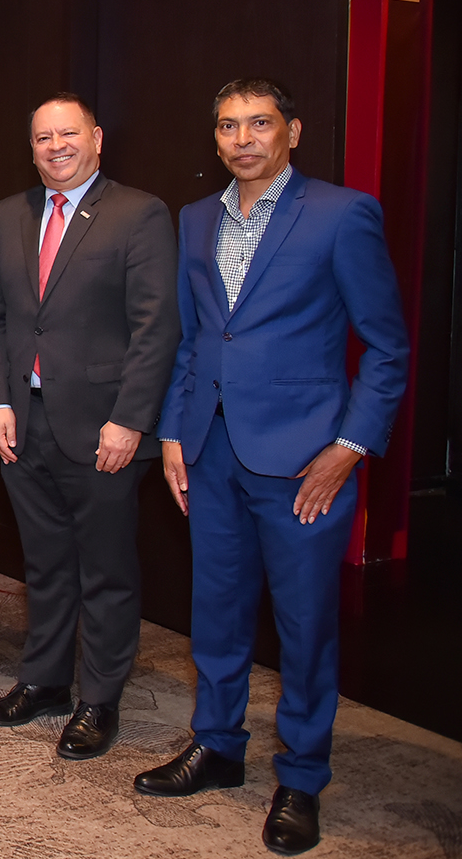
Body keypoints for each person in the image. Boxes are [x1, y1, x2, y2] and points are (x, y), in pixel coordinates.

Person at [135, 79, 408, 856]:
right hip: (212, 451)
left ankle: (302, 776)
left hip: (303, 463)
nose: (243, 138)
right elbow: (196, 339)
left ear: (292, 131)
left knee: (305, 627)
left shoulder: (342, 214)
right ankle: (217, 744)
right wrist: (173, 433)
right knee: (217, 613)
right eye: (228, 126)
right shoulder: (196, 219)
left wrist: (347, 449)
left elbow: (387, 346)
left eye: (260, 123)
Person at [0, 94, 179, 758]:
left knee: (106, 571)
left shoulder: (139, 213)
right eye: (43, 137)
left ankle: (100, 698)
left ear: (96, 138)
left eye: (68, 134)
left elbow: (156, 327)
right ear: (30, 147)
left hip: (103, 430)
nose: (56, 146)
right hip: (23, 421)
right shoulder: (6, 216)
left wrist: (130, 419)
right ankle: (44, 681)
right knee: (44, 563)